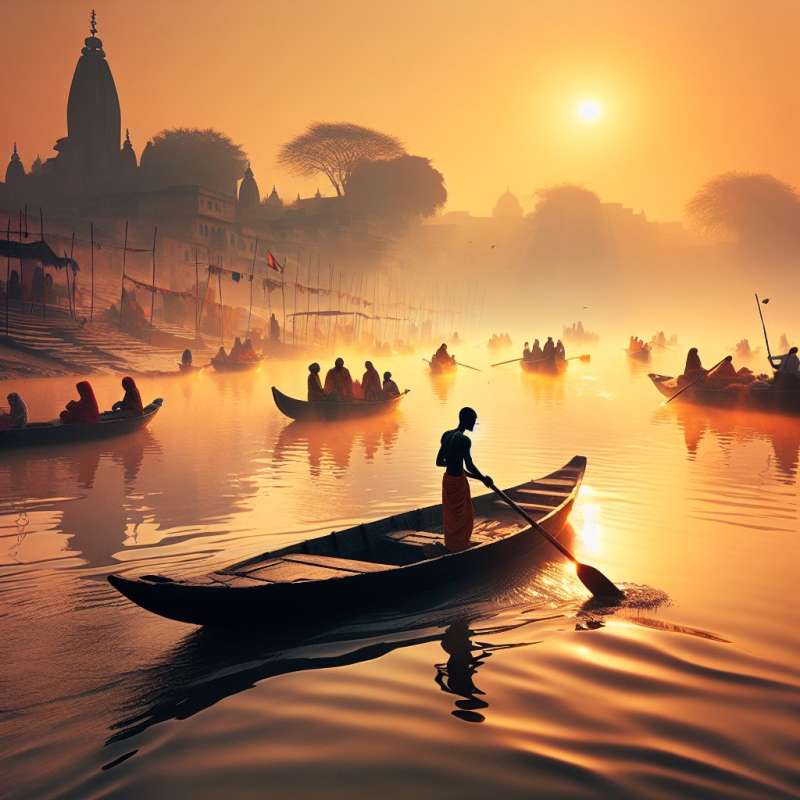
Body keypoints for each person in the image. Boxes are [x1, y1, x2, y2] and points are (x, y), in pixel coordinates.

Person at [436, 407, 492, 553]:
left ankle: (453, 545)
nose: (475, 423)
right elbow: (469, 465)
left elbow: (439, 461)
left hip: (448, 479)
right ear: (466, 420)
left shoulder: (446, 435)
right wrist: (483, 478)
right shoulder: (464, 440)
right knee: (465, 517)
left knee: (451, 516)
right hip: (458, 482)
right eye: (473, 420)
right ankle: (458, 547)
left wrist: (455, 464)